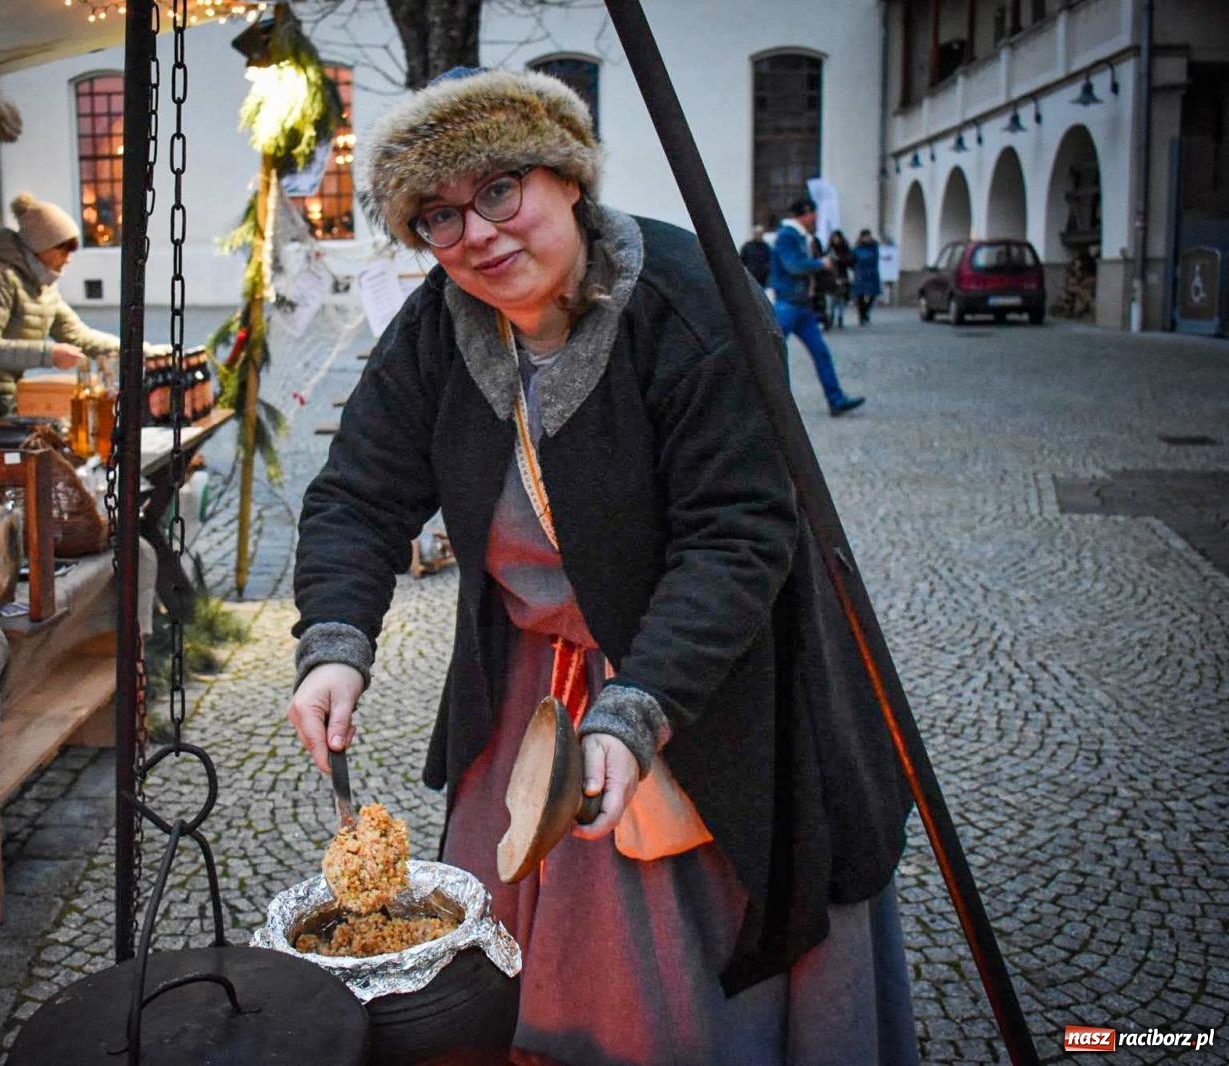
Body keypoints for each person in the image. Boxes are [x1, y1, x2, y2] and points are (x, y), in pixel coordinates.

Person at [285, 69, 916, 1065]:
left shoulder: (691, 299)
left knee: (671, 978)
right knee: (506, 964)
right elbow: (358, 494)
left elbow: (737, 534)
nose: (480, 234)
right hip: (530, 688)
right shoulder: (438, 329)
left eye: (501, 189)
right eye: (439, 217)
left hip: (702, 671)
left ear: (567, 178)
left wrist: (635, 707)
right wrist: (333, 643)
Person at [0, 192, 114, 443]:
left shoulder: (44, 286)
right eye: (63, 249)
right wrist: (49, 354)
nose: (69, 258)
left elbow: (77, 335)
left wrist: (137, 350)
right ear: (40, 247)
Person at [769, 199, 864, 416]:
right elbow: (794, 266)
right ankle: (773, 404)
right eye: (814, 215)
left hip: (801, 304)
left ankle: (836, 399)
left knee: (820, 353)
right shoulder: (788, 236)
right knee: (771, 353)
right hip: (789, 304)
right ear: (805, 214)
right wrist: (820, 264)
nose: (816, 220)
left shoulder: (799, 237)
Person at [851, 229, 882, 326]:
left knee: (873, 294)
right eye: (865, 236)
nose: (867, 238)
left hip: (872, 273)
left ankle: (866, 311)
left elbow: (875, 258)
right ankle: (861, 316)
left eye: (868, 236)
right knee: (860, 296)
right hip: (860, 273)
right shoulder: (857, 248)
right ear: (861, 237)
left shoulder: (874, 247)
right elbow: (852, 259)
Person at [825, 229, 854, 330]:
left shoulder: (845, 248)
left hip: (842, 275)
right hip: (830, 277)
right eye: (834, 238)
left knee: (841, 297)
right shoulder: (829, 249)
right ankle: (830, 316)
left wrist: (839, 259)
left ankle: (840, 316)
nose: (835, 240)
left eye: (837, 238)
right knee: (831, 298)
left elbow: (850, 261)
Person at [738, 224, 771, 288]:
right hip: (750, 278)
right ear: (754, 234)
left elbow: (770, 261)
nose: (759, 235)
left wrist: (766, 270)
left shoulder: (766, 247)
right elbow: (741, 260)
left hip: (763, 280)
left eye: (760, 234)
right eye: (757, 233)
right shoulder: (747, 246)